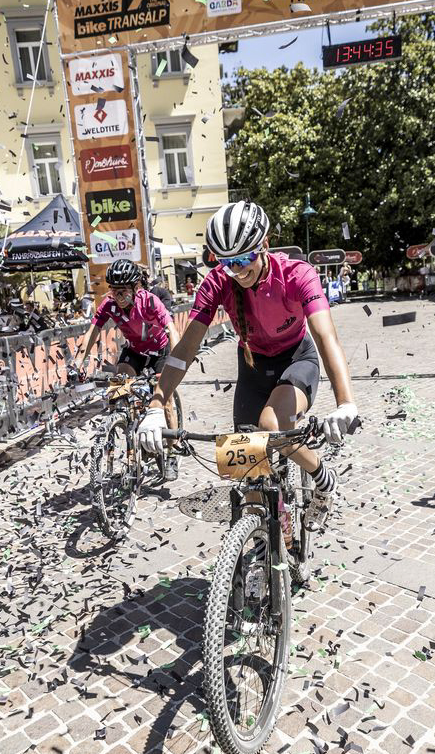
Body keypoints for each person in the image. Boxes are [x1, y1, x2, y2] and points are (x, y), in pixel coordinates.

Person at [137, 201, 359, 529]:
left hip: (296, 360)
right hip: (252, 366)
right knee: (245, 468)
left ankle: (323, 479)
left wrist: (345, 403)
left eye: (243, 259)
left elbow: (327, 338)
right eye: (227, 263)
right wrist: (156, 406)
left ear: (264, 245)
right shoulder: (217, 282)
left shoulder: (297, 275)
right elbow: (186, 347)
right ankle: (265, 551)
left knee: (271, 426)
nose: (237, 270)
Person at [75, 258, 182, 476]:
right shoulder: (109, 304)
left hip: (159, 351)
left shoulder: (150, 302)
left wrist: (177, 362)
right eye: (113, 291)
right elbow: (92, 332)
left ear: (136, 288)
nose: (118, 296)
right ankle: (128, 433)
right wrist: (78, 362)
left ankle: (172, 451)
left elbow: (171, 329)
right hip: (134, 351)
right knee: (119, 390)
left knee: (165, 398)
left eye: (123, 291)